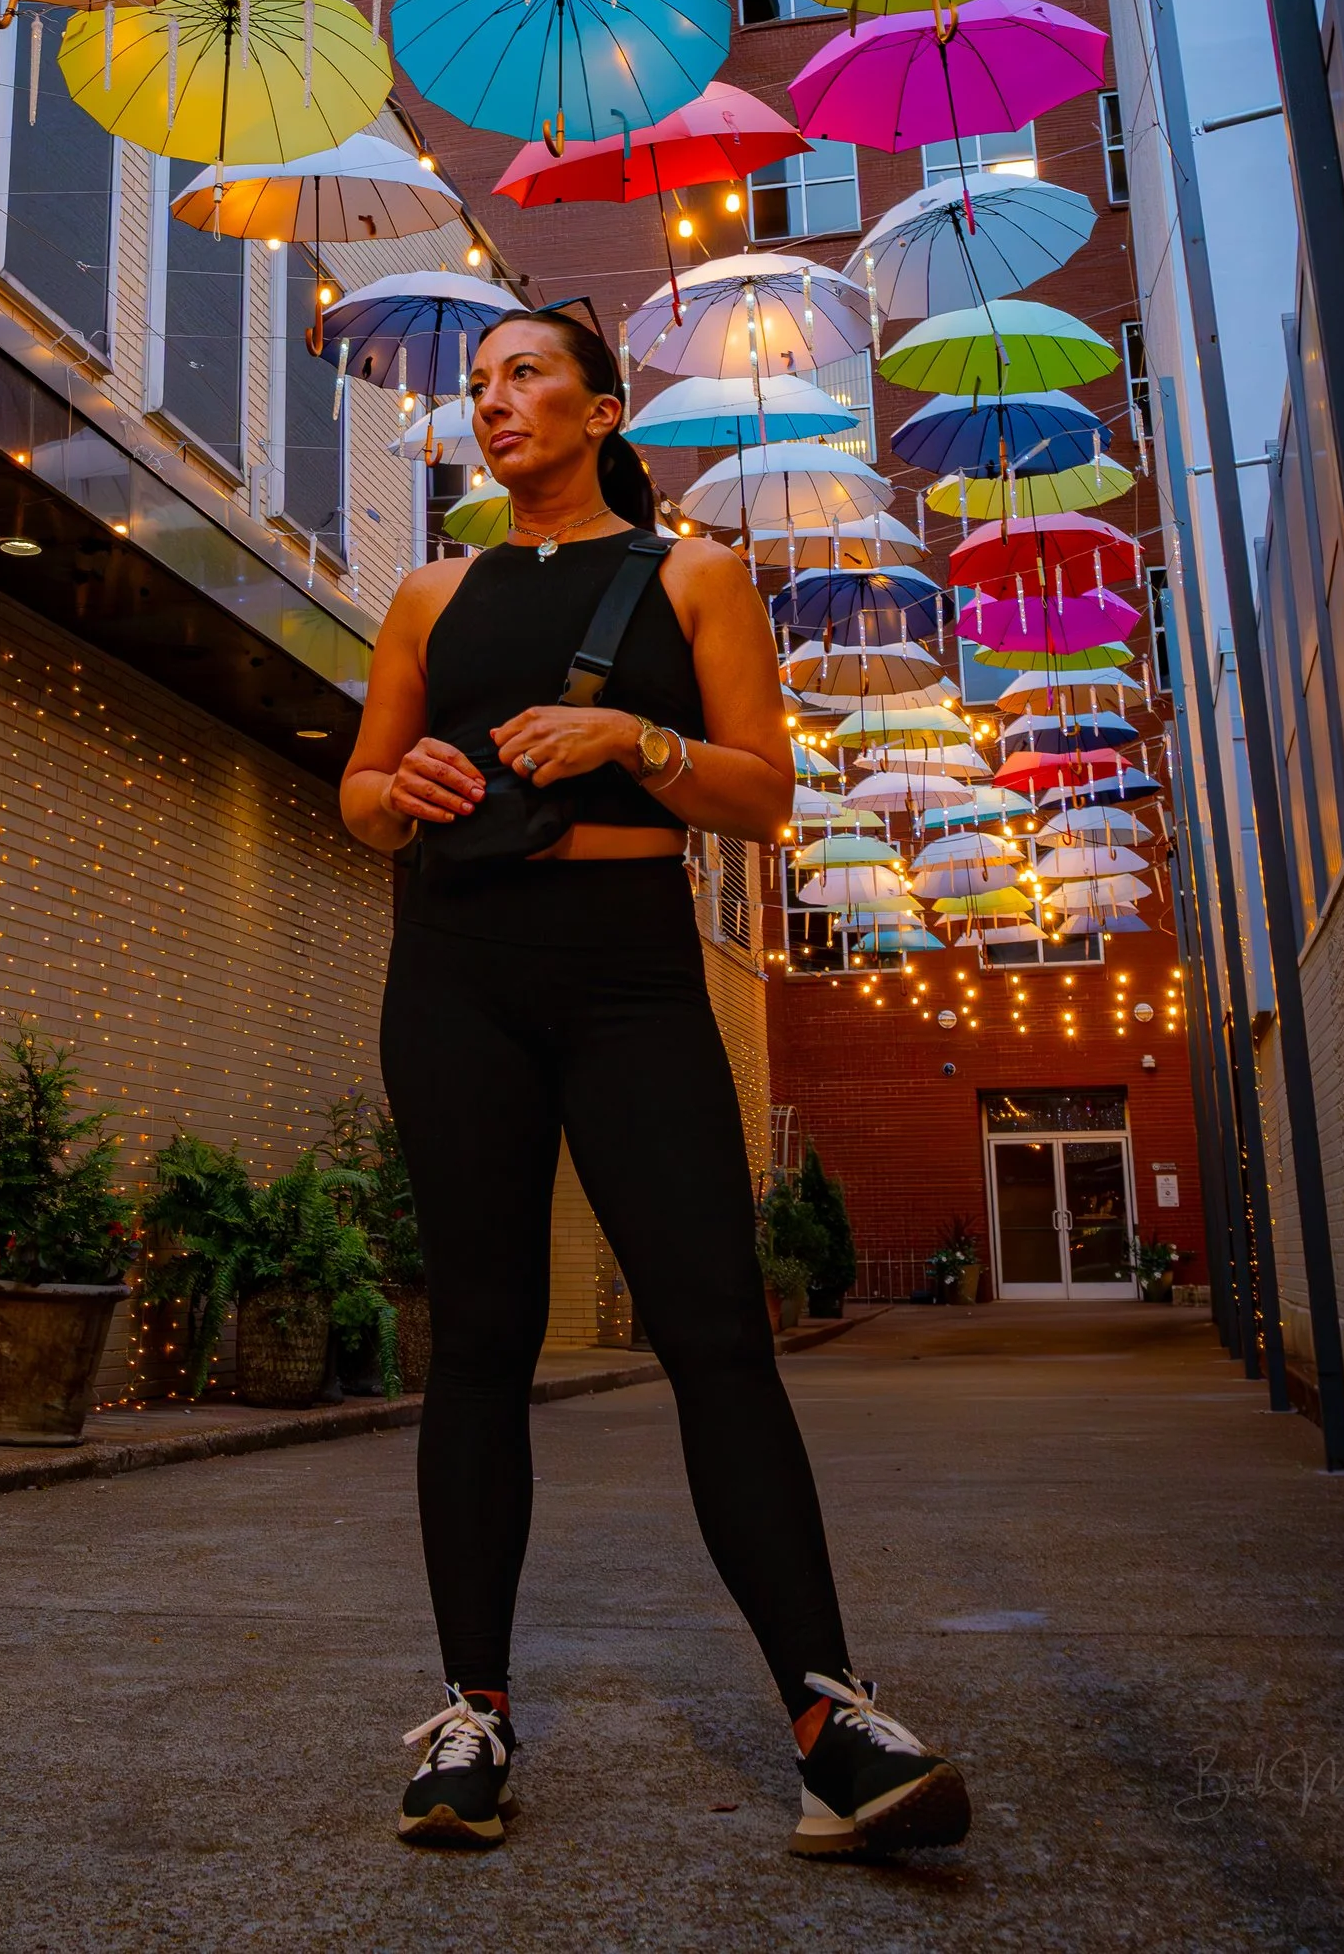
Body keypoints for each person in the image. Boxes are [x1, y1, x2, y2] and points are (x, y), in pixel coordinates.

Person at [341, 305, 970, 1860]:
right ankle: (470, 1720)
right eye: (478, 386)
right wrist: (391, 789)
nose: (494, 404)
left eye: (526, 376)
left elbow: (764, 796)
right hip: (454, 974)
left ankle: (832, 1716)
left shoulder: (692, 578)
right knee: (479, 1342)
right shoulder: (428, 594)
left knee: (713, 1332)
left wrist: (636, 733)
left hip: (629, 977)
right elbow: (359, 790)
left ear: (604, 407)